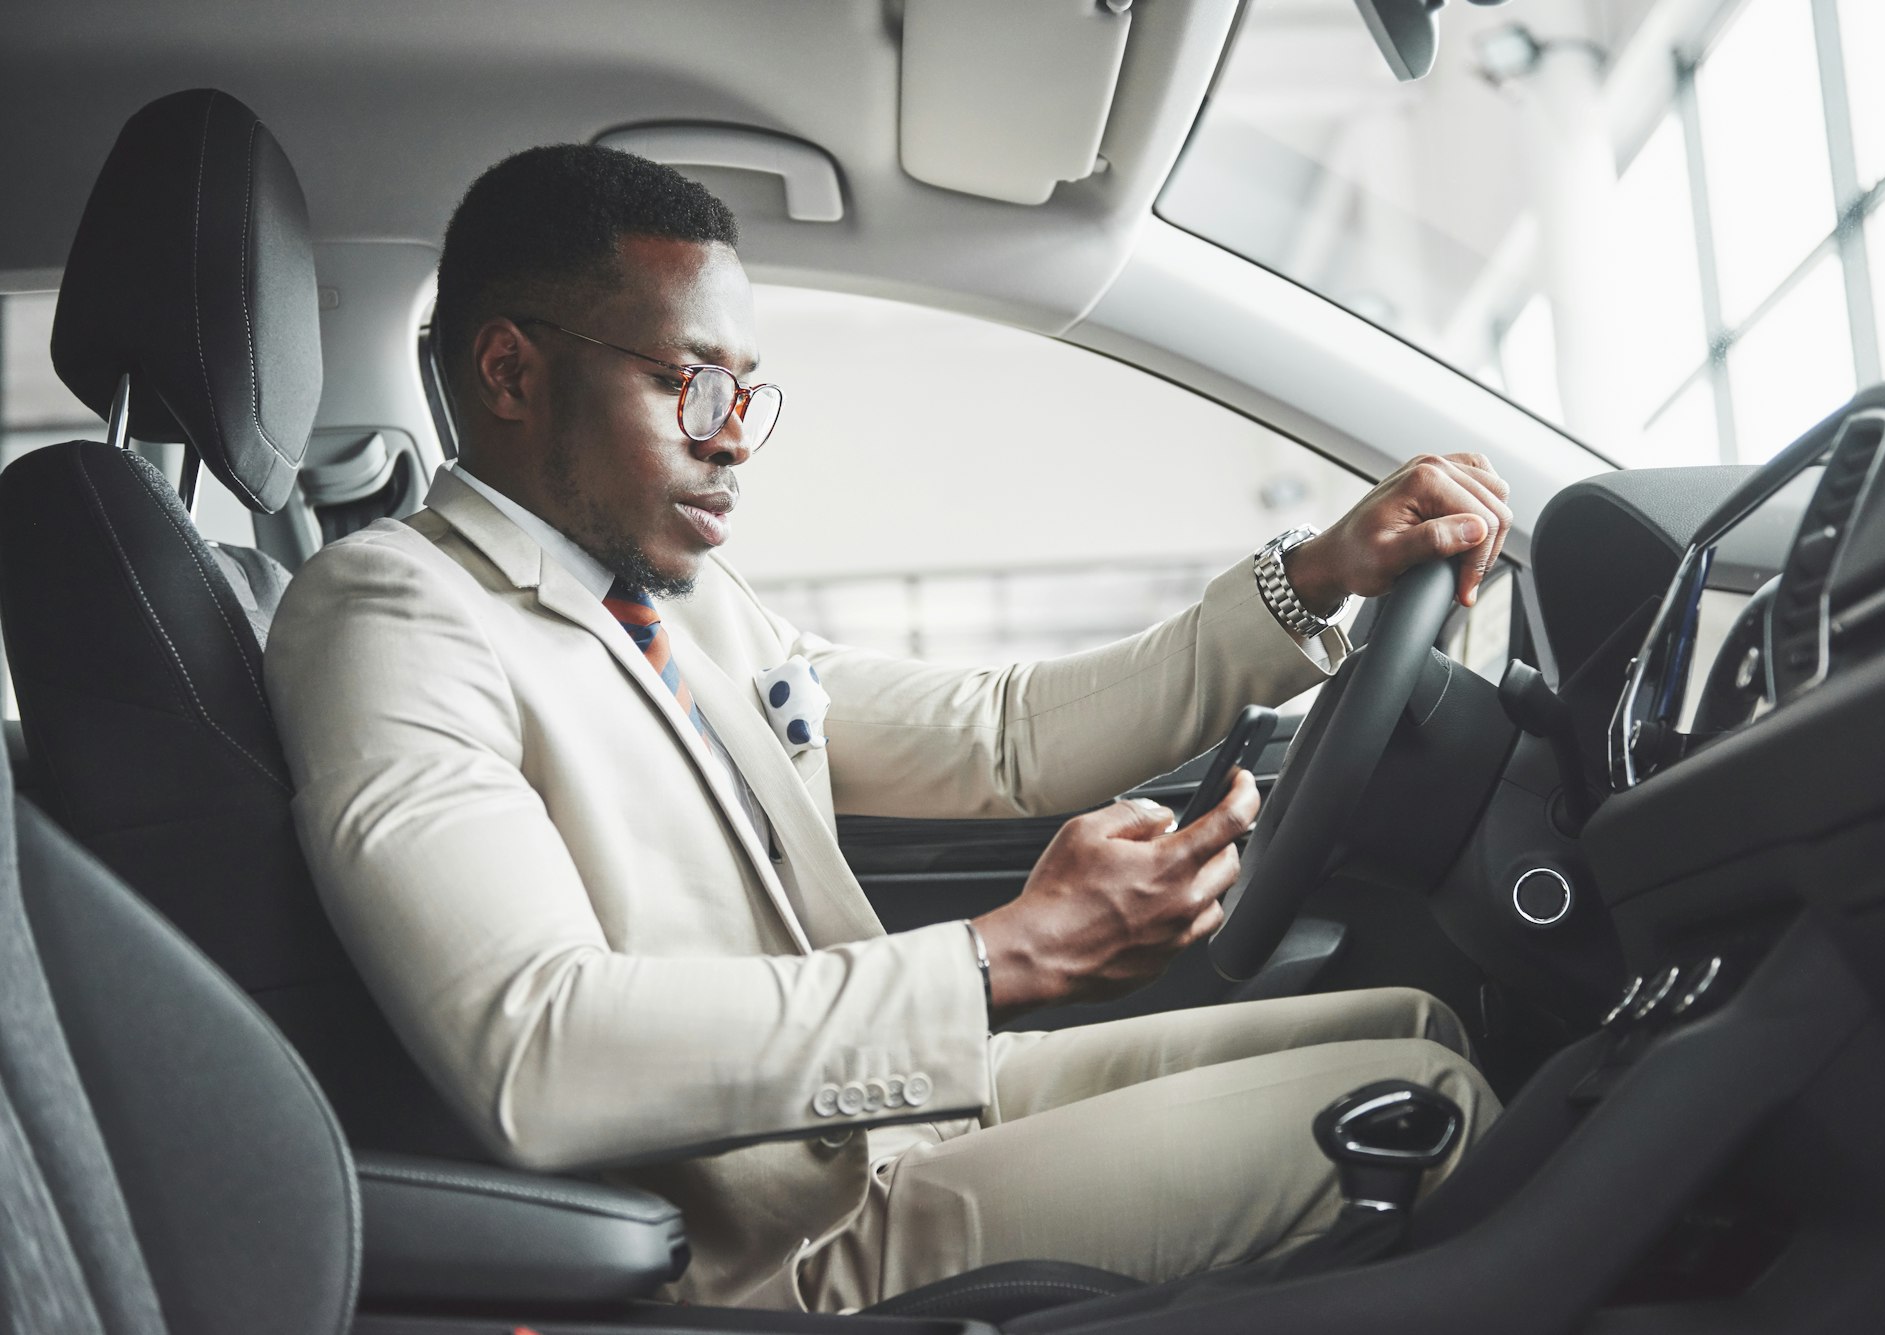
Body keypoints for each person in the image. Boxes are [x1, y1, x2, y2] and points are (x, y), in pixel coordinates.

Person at [265, 144, 1516, 1312]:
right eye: (690, 385)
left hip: (883, 1128)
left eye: (746, 395)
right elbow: (535, 1049)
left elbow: (1005, 735)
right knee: (1428, 1109)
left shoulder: (667, 605)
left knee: (1419, 1028)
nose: (732, 445)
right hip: (769, 1251)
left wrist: (1319, 573)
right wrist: (1002, 959)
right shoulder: (392, 612)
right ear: (509, 372)